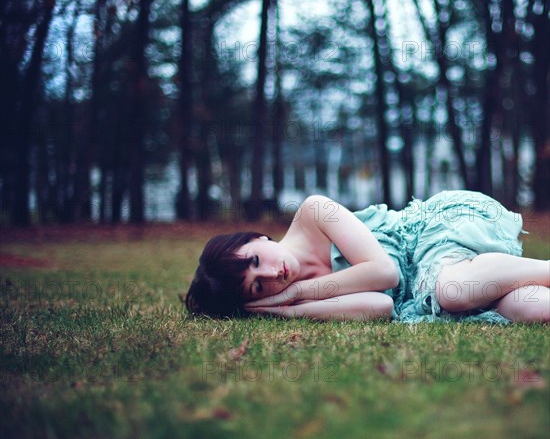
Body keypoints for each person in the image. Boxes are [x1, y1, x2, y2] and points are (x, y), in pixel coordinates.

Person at [185, 191, 550, 323]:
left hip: (436, 231)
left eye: (255, 260)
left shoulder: (314, 213)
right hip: (429, 290)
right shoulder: (288, 297)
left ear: (256, 237)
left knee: (453, 291)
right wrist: (284, 308)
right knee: (534, 309)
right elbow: (379, 306)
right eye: (257, 287)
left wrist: (297, 294)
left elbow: (384, 273)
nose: (271, 274)